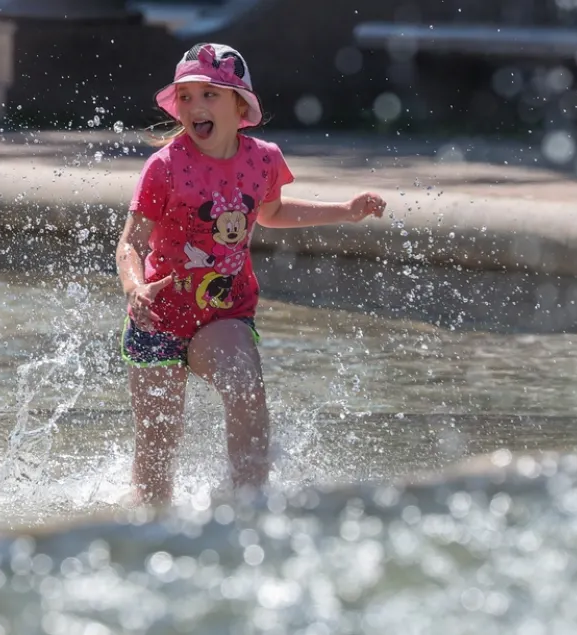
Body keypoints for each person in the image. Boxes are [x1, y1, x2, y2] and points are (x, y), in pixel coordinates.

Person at [115, 42, 387, 505]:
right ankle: (150, 527)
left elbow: (273, 211)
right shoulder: (163, 167)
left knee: (246, 392)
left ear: (240, 105)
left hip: (224, 311)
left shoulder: (262, 159)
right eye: (186, 96)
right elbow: (130, 243)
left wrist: (344, 210)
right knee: (158, 448)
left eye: (210, 95)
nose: (195, 106)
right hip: (157, 317)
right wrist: (134, 285)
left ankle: (250, 509)